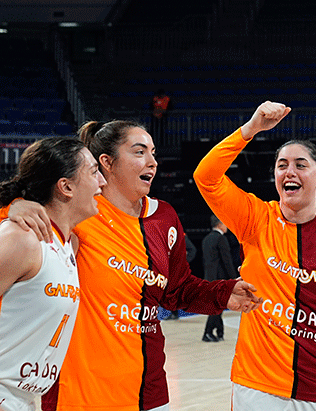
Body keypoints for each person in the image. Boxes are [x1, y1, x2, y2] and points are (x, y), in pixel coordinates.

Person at [4, 120, 262, 411]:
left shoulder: (164, 217)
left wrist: (223, 294)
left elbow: (177, 291)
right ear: (107, 162)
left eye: (153, 152)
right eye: (139, 152)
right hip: (83, 394)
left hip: (150, 394)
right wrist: (14, 205)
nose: (152, 162)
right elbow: (20, 219)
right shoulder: (79, 211)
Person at [194, 101, 316, 411]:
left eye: (300, 165)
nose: (289, 171)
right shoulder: (256, 218)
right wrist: (250, 129)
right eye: (282, 165)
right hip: (257, 384)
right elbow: (206, 177)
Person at [0, 137, 106, 411]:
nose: (102, 182)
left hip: (23, 399)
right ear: (66, 187)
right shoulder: (22, 238)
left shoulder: (69, 244)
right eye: (94, 172)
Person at [201, 214, 238, 342]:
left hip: (209, 278)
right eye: (224, 223)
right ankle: (207, 332)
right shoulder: (221, 239)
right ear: (219, 224)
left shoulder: (206, 239)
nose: (226, 226)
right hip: (219, 279)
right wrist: (234, 279)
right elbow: (227, 261)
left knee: (218, 306)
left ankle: (219, 331)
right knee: (217, 307)